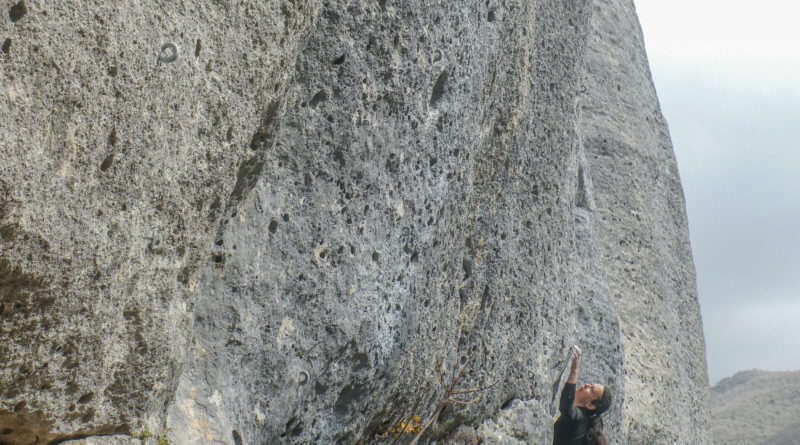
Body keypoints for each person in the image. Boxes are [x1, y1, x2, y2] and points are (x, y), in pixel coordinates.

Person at [553, 346, 612, 445]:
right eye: (591, 385)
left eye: (591, 390)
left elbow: (566, 408)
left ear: (590, 405)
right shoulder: (586, 422)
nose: (586, 386)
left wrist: (574, 371)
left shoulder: (581, 418)